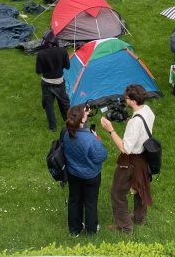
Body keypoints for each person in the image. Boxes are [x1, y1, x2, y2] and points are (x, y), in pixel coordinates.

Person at [100, 84, 155, 234]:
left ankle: (125, 226)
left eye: (126, 98)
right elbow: (141, 129)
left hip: (131, 161)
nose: (125, 99)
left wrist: (110, 130)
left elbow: (125, 148)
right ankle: (139, 218)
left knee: (117, 192)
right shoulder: (147, 110)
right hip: (144, 158)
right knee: (140, 188)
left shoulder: (134, 122)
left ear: (132, 100)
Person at [62, 104, 108, 236]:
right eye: (85, 115)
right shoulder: (90, 139)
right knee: (90, 202)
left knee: (74, 200)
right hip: (90, 176)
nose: (87, 115)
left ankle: (74, 230)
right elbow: (102, 156)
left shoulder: (66, 133)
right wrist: (96, 138)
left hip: (73, 174)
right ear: (81, 120)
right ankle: (91, 230)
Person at [36, 32, 70, 131]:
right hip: (59, 82)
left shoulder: (41, 54)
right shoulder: (63, 51)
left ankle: (52, 127)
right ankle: (70, 122)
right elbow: (67, 66)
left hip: (46, 83)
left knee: (48, 105)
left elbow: (38, 71)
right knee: (64, 104)